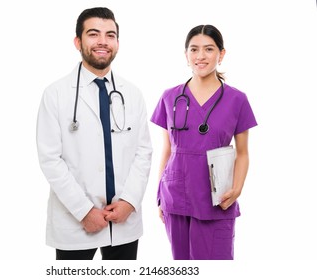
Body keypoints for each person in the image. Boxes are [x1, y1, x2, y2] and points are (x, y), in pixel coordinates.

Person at [36, 7, 152, 260]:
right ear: (78, 41)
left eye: (110, 35)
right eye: (93, 34)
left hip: (123, 220)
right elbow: (50, 159)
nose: (102, 41)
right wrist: (83, 210)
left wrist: (129, 202)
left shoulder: (132, 94)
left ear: (117, 43)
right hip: (75, 221)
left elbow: (143, 153)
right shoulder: (55, 94)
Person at [150, 24, 257, 260]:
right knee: (182, 266)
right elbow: (167, 149)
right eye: (194, 49)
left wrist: (237, 189)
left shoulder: (237, 99)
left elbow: (243, 153)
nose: (201, 56)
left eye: (209, 49)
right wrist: (159, 195)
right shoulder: (170, 97)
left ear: (221, 54)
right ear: (186, 55)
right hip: (175, 196)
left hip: (217, 199)